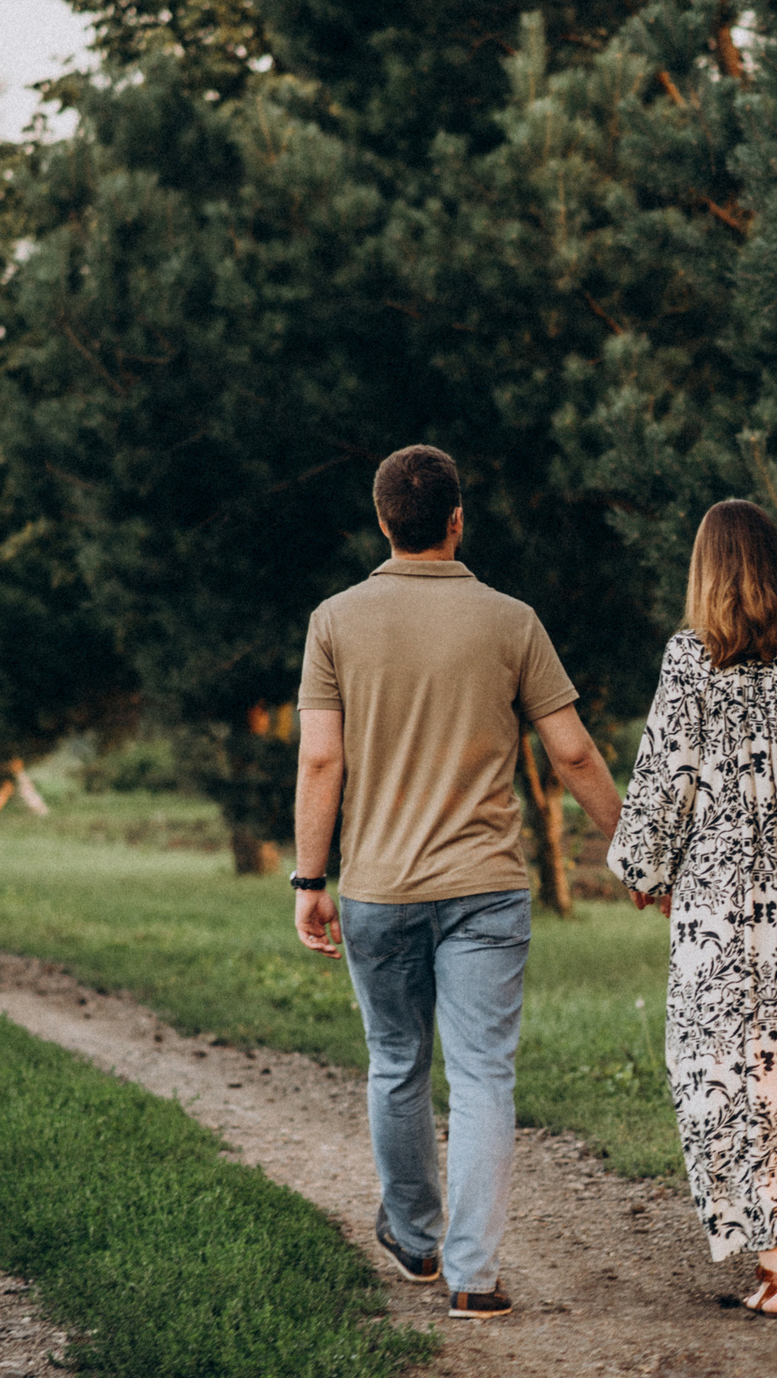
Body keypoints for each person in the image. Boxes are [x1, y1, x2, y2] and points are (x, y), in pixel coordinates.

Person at [290, 444, 622, 1321]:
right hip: (486, 887)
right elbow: (574, 751)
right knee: (482, 1077)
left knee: (397, 1062)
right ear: (456, 519)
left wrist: (308, 877)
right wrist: (633, 847)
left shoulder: (335, 619)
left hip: (378, 887)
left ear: (382, 521)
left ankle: (414, 1236)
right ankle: (475, 1276)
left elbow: (321, 757)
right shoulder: (512, 622)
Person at [606, 498, 777, 1315]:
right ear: (775, 567)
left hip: (722, 906)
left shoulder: (692, 661)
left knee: (725, 1068)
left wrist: (644, 868)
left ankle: (773, 1267)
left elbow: (665, 778)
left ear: (706, 571)